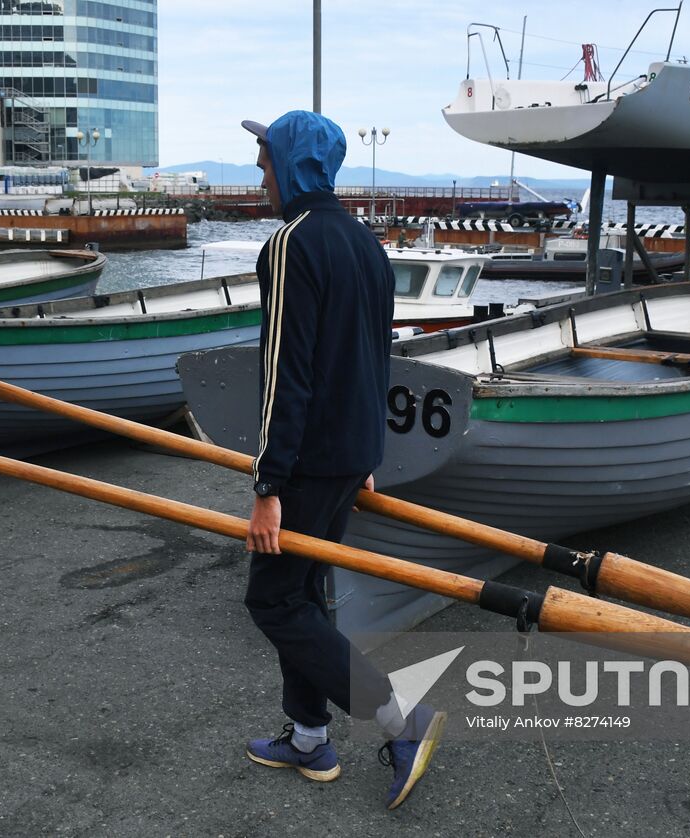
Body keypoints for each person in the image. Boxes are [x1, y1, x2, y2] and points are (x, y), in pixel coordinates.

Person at [239, 110, 446, 811]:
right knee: (303, 595)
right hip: (346, 455)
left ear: (292, 163)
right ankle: (306, 739)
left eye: (265, 159)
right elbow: (374, 360)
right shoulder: (366, 244)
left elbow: (283, 375)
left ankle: (401, 720)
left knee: (271, 600)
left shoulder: (293, 243)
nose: (259, 173)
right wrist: (368, 452)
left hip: (306, 462)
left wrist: (268, 483)